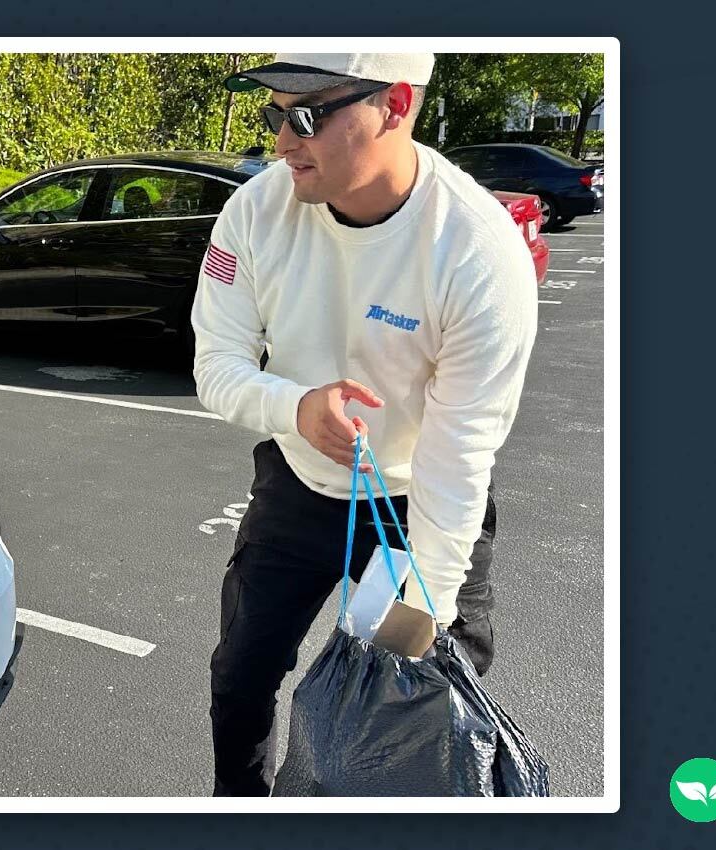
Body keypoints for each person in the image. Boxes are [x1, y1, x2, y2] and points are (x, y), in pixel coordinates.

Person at [192, 53, 538, 797]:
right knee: (241, 678)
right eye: (273, 113)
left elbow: (458, 458)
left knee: (423, 710)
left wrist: (422, 619)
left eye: (309, 115)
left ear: (396, 103)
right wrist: (295, 408)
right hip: (299, 486)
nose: (283, 141)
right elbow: (215, 367)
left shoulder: (477, 251)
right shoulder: (254, 212)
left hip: (418, 506)